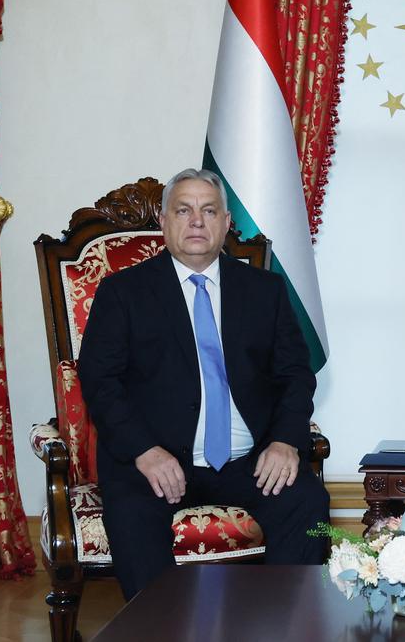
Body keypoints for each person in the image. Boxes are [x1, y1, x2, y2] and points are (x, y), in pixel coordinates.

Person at [79, 168, 329, 599]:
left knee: (305, 501)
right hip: (154, 462)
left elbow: (295, 374)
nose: (197, 221)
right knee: (134, 516)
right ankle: (159, 631)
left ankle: (284, 626)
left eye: (209, 210)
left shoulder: (265, 290)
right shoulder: (122, 292)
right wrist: (143, 450)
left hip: (247, 460)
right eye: (184, 210)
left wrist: (286, 441)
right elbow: (100, 381)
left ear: (227, 223)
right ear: (163, 221)